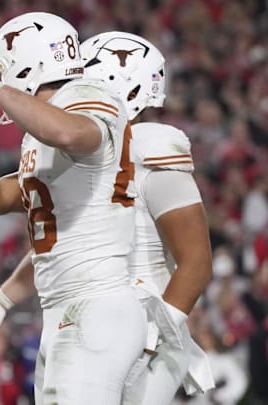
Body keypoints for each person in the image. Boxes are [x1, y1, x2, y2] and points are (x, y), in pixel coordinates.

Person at [0, 12, 146, 404]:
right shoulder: (43, 133)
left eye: (2, 71)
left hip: (96, 304)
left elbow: (69, 132)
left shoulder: (84, 95)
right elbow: (19, 201)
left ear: (30, 64)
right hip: (71, 307)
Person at [79, 31, 214, 403]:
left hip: (144, 318)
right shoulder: (90, 152)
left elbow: (197, 261)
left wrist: (155, 336)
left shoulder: (150, 146)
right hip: (88, 319)